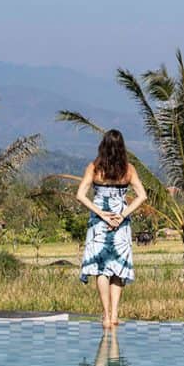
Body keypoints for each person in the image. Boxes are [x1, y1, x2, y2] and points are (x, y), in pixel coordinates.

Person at [76, 129, 146, 328]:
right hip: (120, 222)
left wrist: (101, 213)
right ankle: (114, 315)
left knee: (102, 269)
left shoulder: (95, 167)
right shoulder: (128, 169)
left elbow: (80, 195)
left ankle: (106, 315)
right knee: (118, 268)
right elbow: (142, 196)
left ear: (103, 146)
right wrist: (122, 214)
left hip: (100, 222)